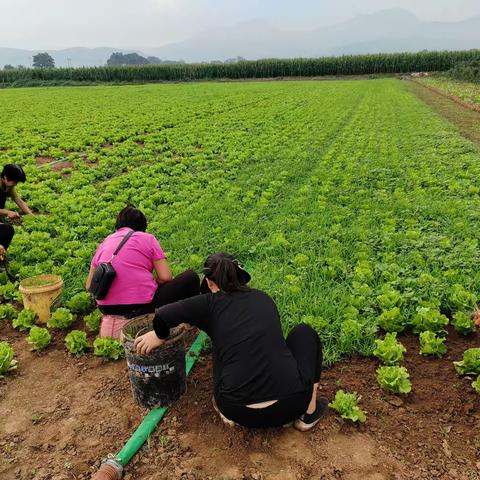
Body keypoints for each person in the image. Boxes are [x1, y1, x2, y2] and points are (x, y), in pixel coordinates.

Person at [134, 252, 328, 431]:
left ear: (210, 283)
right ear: (240, 277)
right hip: (292, 404)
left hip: (237, 409)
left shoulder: (208, 304)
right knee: (304, 332)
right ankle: (307, 413)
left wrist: (158, 336)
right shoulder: (263, 298)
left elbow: (162, 316)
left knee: (223, 346)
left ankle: (224, 409)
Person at [86, 206, 200, 319]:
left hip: (106, 308)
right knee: (191, 277)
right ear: (142, 226)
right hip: (141, 307)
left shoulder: (105, 242)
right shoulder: (147, 238)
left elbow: (89, 285)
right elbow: (166, 277)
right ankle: (194, 321)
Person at [0, 164, 32, 258]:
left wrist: (30, 215)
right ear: (5, 177)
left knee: (8, 229)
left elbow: (17, 199)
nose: (15, 184)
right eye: (15, 181)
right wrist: (7, 212)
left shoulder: (7, 185)